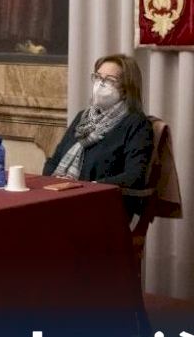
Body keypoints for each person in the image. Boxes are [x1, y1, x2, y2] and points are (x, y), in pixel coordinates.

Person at [44, 54, 153, 219]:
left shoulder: (137, 124)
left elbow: (134, 176)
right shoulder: (83, 118)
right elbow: (54, 161)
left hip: (104, 208)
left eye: (109, 80)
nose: (100, 84)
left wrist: (88, 187)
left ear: (126, 89)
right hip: (63, 198)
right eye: (98, 77)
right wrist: (53, 182)